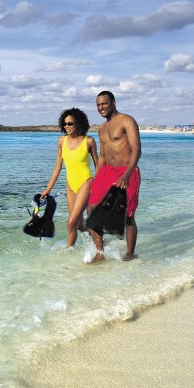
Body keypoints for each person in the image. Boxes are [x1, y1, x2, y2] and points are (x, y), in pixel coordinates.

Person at [87, 91, 141, 263]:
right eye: (98, 105)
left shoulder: (127, 121)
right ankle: (100, 253)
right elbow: (102, 155)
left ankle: (130, 253)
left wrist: (127, 174)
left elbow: (137, 150)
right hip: (107, 172)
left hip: (127, 170)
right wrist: (97, 178)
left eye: (104, 103)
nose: (101, 107)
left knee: (128, 216)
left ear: (113, 102)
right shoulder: (101, 128)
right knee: (92, 209)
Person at [41, 108, 98, 247]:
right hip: (70, 185)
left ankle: (68, 251)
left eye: (70, 123)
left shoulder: (89, 141)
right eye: (65, 124)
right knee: (78, 224)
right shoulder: (62, 141)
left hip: (86, 182)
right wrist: (48, 189)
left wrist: (101, 188)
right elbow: (57, 167)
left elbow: (98, 166)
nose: (67, 126)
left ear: (78, 123)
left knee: (71, 222)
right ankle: (96, 241)